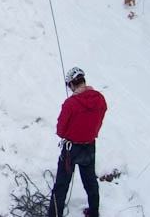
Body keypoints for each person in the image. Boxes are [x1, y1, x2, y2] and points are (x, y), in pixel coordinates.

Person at [47, 67, 108, 217]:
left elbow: (60, 130)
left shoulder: (70, 104)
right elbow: (100, 117)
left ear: (72, 84)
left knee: (61, 185)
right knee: (90, 182)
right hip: (89, 146)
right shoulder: (100, 98)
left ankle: (54, 215)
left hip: (71, 149)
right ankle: (94, 212)